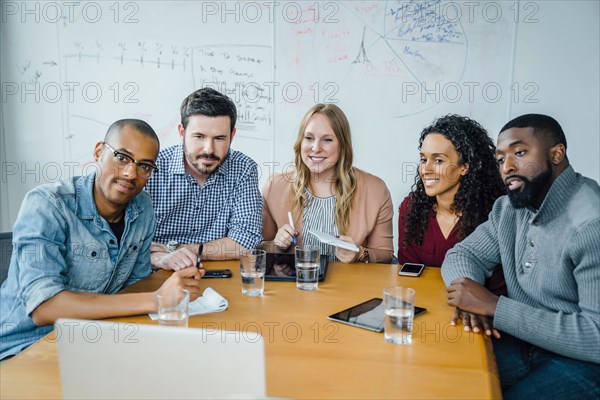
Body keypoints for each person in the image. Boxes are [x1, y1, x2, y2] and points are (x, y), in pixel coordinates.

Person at [0, 120, 203, 360]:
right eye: (122, 157)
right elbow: (45, 308)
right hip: (25, 349)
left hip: (92, 339)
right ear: (98, 152)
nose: (131, 173)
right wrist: (157, 299)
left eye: (145, 166)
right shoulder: (48, 204)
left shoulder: (142, 208)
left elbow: (132, 288)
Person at [442, 114, 600, 398]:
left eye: (520, 152)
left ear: (556, 153)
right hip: (519, 342)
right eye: (501, 159)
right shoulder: (508, 209)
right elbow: (463, 254)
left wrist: (494, 307)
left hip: (582, 361)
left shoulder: (590, 223)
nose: (508, 167)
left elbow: (596, 337)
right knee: (447, 380)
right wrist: (469, 293)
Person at [145, 88, 262, 270]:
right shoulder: (152, 168)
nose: (209, 149)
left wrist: (177, 250)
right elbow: (127, 244)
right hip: (157, 275)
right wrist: (159, 259)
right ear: (182, 133)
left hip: (218, 275)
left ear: (232, 136)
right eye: (199, 137)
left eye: (220, 138)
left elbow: (245, 241)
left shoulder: (244, 169)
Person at [262, 103, 393, 263]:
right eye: (309, 138)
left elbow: (386, 255)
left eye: (327, 140)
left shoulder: (376, 190)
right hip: (297, 285)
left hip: (349, 286)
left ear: (342, 145)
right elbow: (257, 247)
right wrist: (277, 244)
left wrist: (360, 253)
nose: (316, 148)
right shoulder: (274, 186)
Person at [397, 115, 506, 295]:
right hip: (424, 306)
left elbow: (498, 286)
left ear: (464, 166)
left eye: (438, 160)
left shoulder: (494, 213)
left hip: (477, 314)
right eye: (424, 160)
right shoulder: (411, 208)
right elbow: (408, 275)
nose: (426, 169)